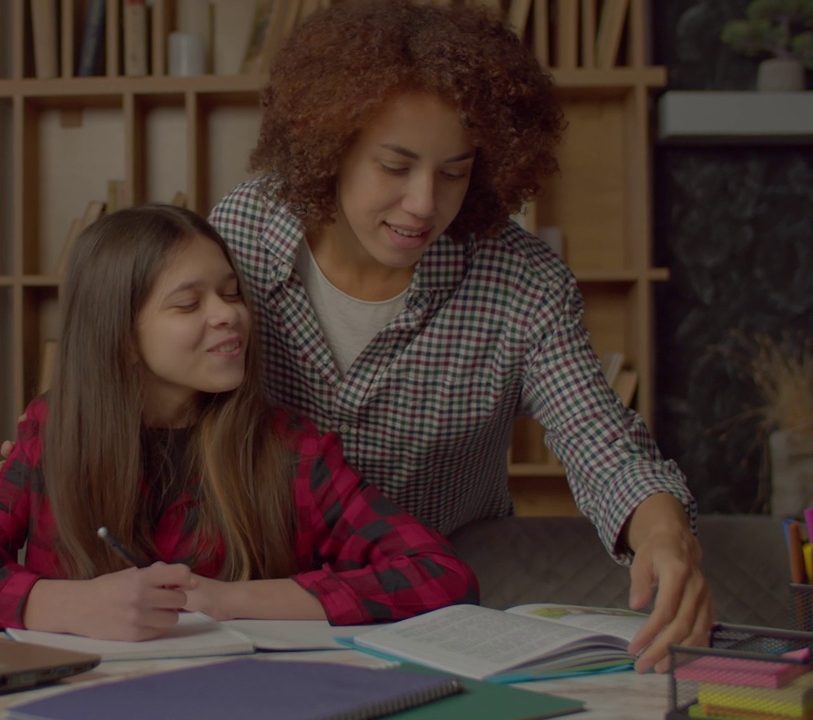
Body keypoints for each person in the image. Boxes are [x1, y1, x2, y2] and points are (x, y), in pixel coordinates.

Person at [206, 0, 711, 671]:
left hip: (442, 607)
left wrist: (663, 531)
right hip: (261, 596)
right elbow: (160, 394)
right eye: (395, 165)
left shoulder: (520, 281)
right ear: (331, 144)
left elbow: (600, 440)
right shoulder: (241, 235)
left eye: (454, 170)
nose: (424, 204)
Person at [0, 204, 478, 641]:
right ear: (122, 338)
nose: (228, 314)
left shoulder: (293, 451)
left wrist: (226, 599)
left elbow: (439, 575)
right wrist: (69, 605)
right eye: (188, 305)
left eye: (231, 293)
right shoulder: (50, 431)